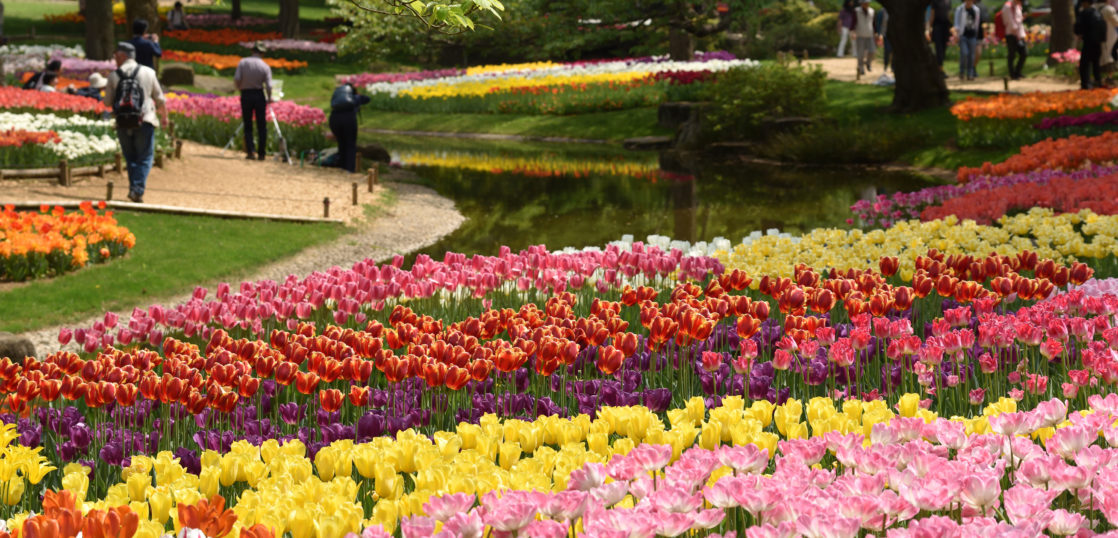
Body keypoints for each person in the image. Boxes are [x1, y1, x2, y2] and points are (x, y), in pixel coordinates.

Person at [105, 41, 168, 204]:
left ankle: (135, 189)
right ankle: (137, 190)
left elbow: (107, 102)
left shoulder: (114, 75)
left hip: (122, 121)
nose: (114, 59)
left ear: (122, 55)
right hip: (145, 119)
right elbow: (160, 98)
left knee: (130, 157)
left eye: (115, 55)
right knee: (145, 157)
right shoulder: (148, 72)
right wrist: (165, 117)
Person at [234, 41, 273, 161]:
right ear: (262, 53)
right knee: (261, 124)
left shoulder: (243, 62)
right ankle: (262, 152)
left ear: (252, 51)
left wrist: (240, 87)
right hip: (259, 94)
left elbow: (237, 78)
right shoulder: (265, 66)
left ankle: (251, 151)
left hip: (246, 94)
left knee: (248, 123)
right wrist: (269, 97)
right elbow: (269, 85)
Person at [328, 83, 371, 173]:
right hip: (349, 119)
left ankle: (342, 166)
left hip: (334, 119)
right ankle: (349, 169)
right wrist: (357, 94)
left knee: (341, 143)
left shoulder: (337, 98)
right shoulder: (354, 97)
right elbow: (367, 99)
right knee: (350, 144)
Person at [1076, 0, 1107, 88]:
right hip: (1097, 42)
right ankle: (1098, 81)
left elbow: (1078, 28)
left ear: (1085, 2)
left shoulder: (1084, 13)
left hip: (1088, 41)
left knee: (1084, 64)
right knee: (1096, 63)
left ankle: (1085, 83)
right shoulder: (1097, 12)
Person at [955, 0, 982, 80]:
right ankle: (962, 71)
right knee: (964, 53)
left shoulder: (976, 10)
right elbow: (956, 23)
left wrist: (976, 34)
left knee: (971, 55)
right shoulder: (960, 9)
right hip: (963, 35)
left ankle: (970, 73)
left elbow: (977, 22)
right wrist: (957, 34)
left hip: (972, 35)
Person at [1002, 0, 1027, 79]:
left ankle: (1018, 71)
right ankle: (1012, 74)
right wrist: (1016, 29)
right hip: (1011, 34)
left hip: (1019, 34)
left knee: (1024, 53)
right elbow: (1009, 21)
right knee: (1012, 54)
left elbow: (1018, 20)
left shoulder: (1018, 6)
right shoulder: (1007, 6)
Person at [854, 0, 876, 75]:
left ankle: (868, 63)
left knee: (872, 51)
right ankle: (861, 68)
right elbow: (853, 22)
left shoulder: (872, 11)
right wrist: (853, 32)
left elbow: (873, 23)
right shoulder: (856, 11)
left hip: (870, 34)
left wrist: (875, 33)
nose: (866, 4)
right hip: (860, 34)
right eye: (865, 3)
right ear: (861, 3)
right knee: (860, 53)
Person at [929, 0, 953, 67]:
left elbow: (949, 14)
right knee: (938, 48)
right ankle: (939, 69)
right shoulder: (935, 1)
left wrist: (951, 27)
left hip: (946, 27)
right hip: (937, 26)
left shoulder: (948, 1)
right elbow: (932, 14)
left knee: (944, 48)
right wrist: (930, 28)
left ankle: (939, 67)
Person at [875, 6, 892, 72]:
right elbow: (879, 23)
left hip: (895, 35)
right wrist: (879, 33)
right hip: (885, 35)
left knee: (894, 52)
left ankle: (893, 68)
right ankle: (885, 65)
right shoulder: (882, 11)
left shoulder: (896, 11)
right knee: (887, 51)